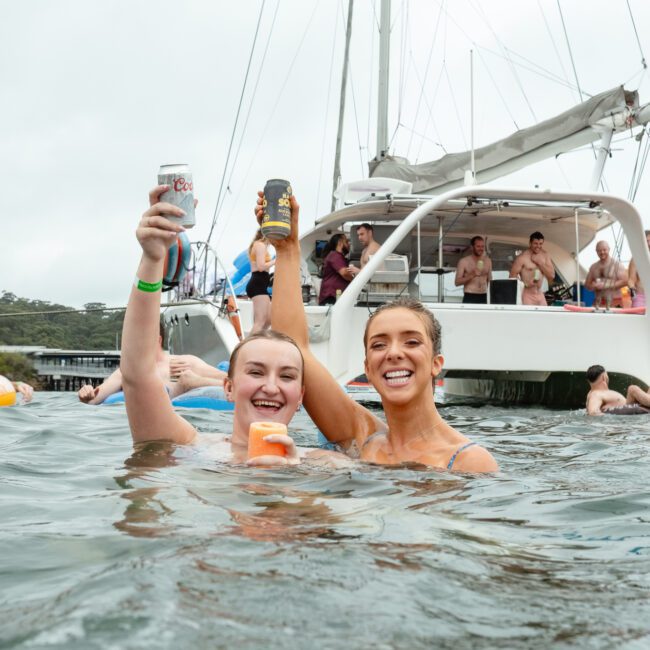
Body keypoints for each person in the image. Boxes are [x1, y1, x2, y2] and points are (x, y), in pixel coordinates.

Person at [257, 190, 498, 472]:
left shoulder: (469, 462)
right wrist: (287, 249)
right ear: (367, 369)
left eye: (411, 341)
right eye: (379, 345)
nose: (394, 353)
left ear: (436, 364)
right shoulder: (363, 438)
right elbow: (292, 347)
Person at [119, 184, 349, 468]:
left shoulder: (328, 465)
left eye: (287, 377)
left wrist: (293, 490)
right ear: (228, 387)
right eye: (255, 372)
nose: (271, 386)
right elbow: (137, 376)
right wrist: (153, 259)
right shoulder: (192, 448)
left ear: (301, 396)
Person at [78, 322, 226, 405]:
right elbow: (97, 396)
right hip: (150, 423)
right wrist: (86, 394)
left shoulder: (184, 362)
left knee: (186, 377)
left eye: (141, 336)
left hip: (184, 421)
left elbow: (230, 380)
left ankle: (190, 382)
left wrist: (197, 381)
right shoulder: (128, 371)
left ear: (158, 339)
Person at [509, 231, 555, 306]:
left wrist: (540, 263)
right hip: (527, 294)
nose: (538, 246)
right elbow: (511, 278)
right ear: (530, 243)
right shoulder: (522, 257)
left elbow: (551, 276)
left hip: (540, 293)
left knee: (545, 317)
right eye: (535, 243)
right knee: (529, 317)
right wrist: (525, 284)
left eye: (540, 244)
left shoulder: (545, 255)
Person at [585, 364, 650, 415]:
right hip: (630, 412)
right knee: (632, 389)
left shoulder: (598, 393)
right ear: (604, 377)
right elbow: (593, 412)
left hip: (632, 408)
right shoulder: (596, 394)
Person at [584, 241, 629, 308]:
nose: (602, 252)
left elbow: (626, 281)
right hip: (598, 302)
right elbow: (587, 285)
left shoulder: (617, 265)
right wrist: (594, 286)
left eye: (604, 250)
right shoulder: (593, 267)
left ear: (609, 249)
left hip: (615, 301)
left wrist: (607, 285)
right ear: (596, 251)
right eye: (599, 251)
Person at [245, 229, 274, 332]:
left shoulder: (262, 246)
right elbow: (261, 267)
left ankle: (259, 339)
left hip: (261, 285)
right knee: (260, 321)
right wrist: (275, 261)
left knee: (269, 320)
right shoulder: (260, 245)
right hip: (257, 284)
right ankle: (249, 346)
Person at [318, 233, 356, 305]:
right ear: (340, 243)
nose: (349, 244)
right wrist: (355, 280)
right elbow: (344, 272)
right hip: (331, 297)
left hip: (334, 296)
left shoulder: (339, 257)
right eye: (346, 242)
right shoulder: (335, 255)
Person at [454, 235, 493, 304]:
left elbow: (490, 281)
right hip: (470, 295)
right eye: (478, 246)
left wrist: (493, 296)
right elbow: (457, 282)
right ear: (472, 247)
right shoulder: (463, 261)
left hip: (484, 295)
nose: (481, 249)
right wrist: (472, 274)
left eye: (482, 246)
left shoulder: (488, 261)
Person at [627, 230, 650, 308]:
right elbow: (631, 279)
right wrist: (632, 289)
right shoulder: (635, 258)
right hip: (640, 297)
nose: (649, 243)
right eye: (647, 241)